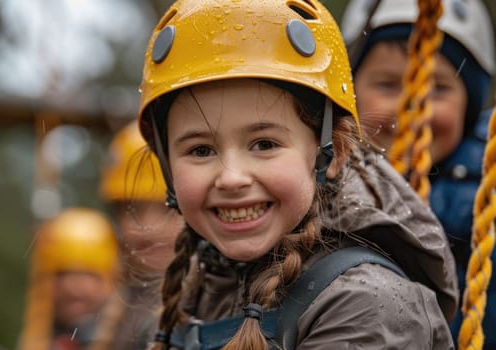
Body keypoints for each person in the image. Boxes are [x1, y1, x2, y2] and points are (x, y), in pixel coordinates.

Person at [137, 0, 458, 349]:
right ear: (167, 164)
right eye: (201, 150)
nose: (231, 178)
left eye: (264, 144)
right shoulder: (206, 287)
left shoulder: (369, 306)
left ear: (332, 152)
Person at [341, 0, 495, 346]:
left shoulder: (483, 202)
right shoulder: (322, 187)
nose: (412, 105)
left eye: (438, 89)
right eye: (388, 85)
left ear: (469, 107)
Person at [87, 119, 184, 350]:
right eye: (132, 210)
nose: (148, 229)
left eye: (168, 208)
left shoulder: (218, 306)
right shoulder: (100, 309)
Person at [17, 208, 119, 350]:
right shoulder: (40, 338)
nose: (72, 286)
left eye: (87, 274)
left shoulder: (127, 337)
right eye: (63, 274)